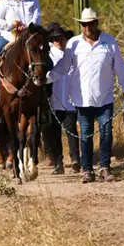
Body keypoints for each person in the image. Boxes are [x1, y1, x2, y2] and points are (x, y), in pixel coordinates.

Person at [47, 8, 124, 183]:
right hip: (82, 98)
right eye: (83, 24)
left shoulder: (109, 42)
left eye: (90, 24)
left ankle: (105, 167)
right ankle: (87, 170)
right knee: (85, 135)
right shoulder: (73, 44)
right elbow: (63, 67)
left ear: (96, 23)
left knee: (106, 133)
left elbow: (120, 67)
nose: (86, 27)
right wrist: (46, 78)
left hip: (105, 96)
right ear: (80, 25)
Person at [44, 23, 80, 175]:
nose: (58, 41)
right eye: (55, 39)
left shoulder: (72, 53)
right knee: (55, 132)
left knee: (71, 129)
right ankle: (59, 163)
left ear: (65, 38)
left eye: (61, 38)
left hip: (70, 99)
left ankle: (75, 159)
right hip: (55, 99)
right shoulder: (49, 56)